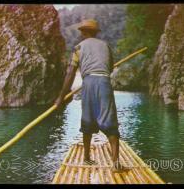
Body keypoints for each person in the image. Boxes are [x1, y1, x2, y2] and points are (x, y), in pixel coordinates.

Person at [54, 19, 129, 172]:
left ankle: (87, 158)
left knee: (87, 119)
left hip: (88, 82)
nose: (81, 34)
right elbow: (110, 68)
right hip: (104, 82)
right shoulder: (106, 46)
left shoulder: (78, 47)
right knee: (110, 121)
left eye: (82, 32)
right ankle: (115, 164)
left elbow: (70, 73)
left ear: (84, 32)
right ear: (95, 32)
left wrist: (61, 97)